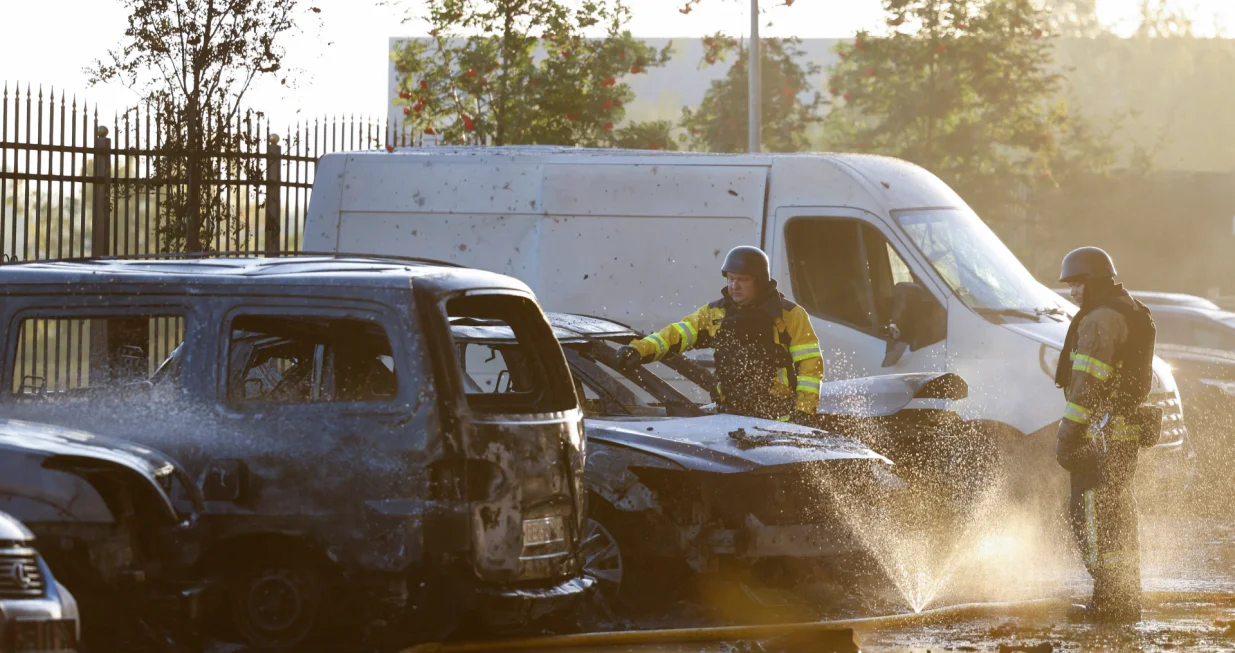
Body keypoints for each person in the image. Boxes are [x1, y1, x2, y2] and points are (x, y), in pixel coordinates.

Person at [1055, 246, 1158, 623]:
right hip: (1120, 435)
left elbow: (1086, 386)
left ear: (1094, 281)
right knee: (1116, 515)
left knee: (1091, 517)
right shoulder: (1131, 308)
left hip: (1098, 437)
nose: (1073, 292)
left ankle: (1112, 603)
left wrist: (1069, 434)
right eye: (1070, 286)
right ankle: (1122, 598)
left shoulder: (1101, 319)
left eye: (1078, 284)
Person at [616, 246, 823, 423]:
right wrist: (639, 350)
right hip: (729, 417)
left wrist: (804, 411)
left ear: (759, 281)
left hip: (779, 420)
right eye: (731, 279)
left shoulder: (790, 315)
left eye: (742, 280)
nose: (734, 286)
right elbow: (674, 335)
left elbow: (810, 367)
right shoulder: (715, 313)